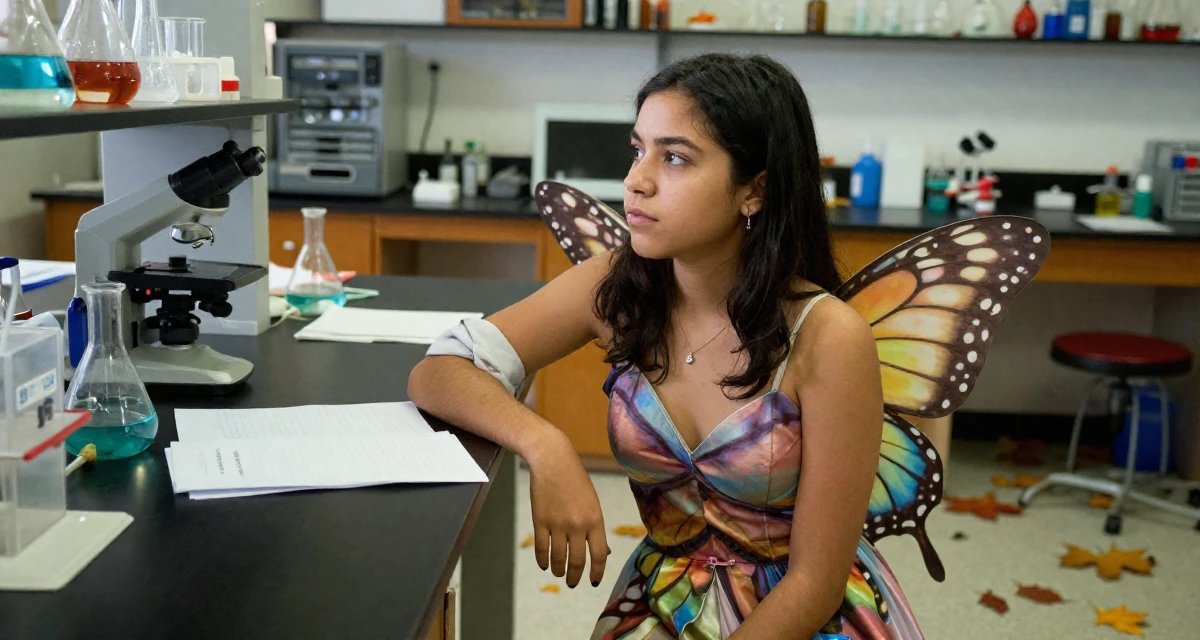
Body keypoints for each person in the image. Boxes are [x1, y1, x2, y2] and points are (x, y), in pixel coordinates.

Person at [409, 53, 923, 639]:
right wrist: (544, 444)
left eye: (674, 157)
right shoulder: (618, 287)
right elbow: (440, 370)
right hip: (669, 597)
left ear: (754, 191)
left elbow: (815, 582)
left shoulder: (828, 336)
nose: (636, 180)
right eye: (638, 150)